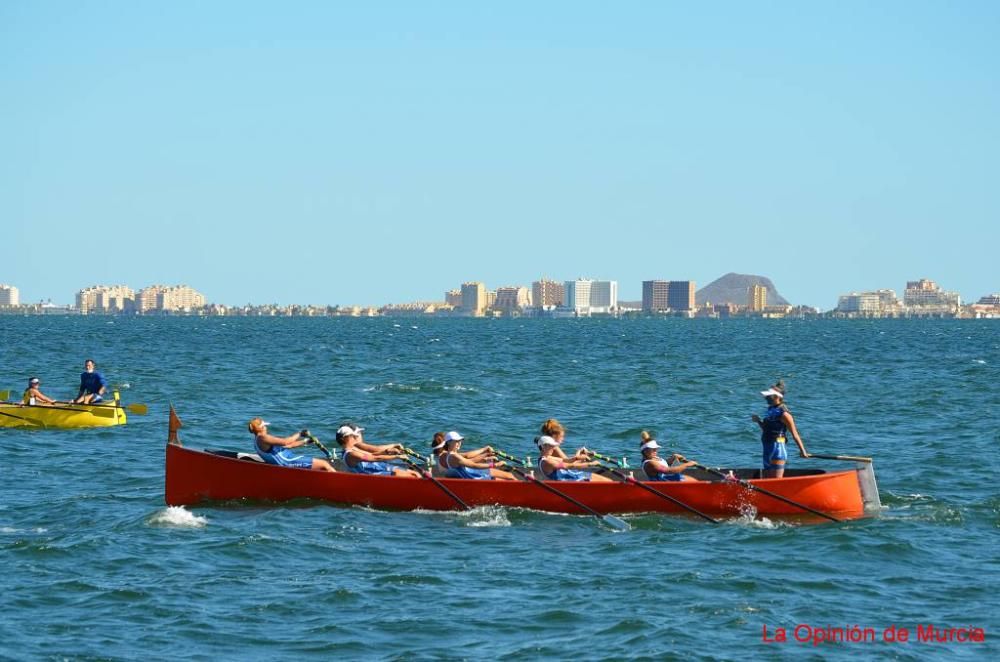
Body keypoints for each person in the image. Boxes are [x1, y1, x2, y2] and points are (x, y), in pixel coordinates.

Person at [751, 381, 809, 478]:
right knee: (767, 480)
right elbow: (766, 429)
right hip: (767, 447)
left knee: (776, 480)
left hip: (778, 448)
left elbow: (795, 434)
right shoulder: (770, 410)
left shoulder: (785, 414)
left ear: (777, 397)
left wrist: (803, 451)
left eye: (769, 396)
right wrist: (758, 421)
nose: (766, 398)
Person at [248, 418, 336, 471]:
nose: (266, 427)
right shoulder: (263, 437)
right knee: (325, 464)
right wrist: (300, 433)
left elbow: (288, 446)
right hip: (287, 462)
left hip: (288, 460)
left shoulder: (257, 440)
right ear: (262, 428)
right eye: (265, 426)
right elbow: (286, 441)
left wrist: (306, 441)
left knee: (321, 464)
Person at [336, 425, 420, 477]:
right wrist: (396, 456)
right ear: (344, 438)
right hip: (367, 478)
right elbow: (374, 458)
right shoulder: (351, 454)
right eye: (353, 436)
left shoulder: (353, 450)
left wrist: (387, 451)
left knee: (413, 473)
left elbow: (374, 454)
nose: (355, 437)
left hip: (370, 474)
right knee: (400, 474)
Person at [438, 431, 516, 480]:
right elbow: (474, 465)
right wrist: (495, 464)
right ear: (448, 442)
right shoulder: (454, 456)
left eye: (460, 441)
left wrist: (486, 455)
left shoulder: (453, 454)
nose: (459, 443)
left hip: (471, 475)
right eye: (456, 441)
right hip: (474, 478)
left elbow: (469, 458)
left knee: (509, 476)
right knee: (509, 476)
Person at [537, 435, 613, 482]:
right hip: (572, 480)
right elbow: (571, 466)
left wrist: (581, 454)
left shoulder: (549, 457)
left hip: (575, 475)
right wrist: (591, 464)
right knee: (609, 483)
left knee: (609, 481)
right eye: (551, 446)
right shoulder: (547, 462)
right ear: (544, 447)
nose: (553, 448)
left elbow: (568, 461)